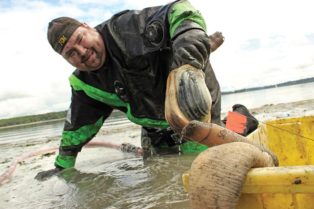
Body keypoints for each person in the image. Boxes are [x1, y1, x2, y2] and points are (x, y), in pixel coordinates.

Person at [36, 0, 256, 180]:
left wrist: (188, 41)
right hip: (154, 126)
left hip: (191, 95)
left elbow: (179, 9)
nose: (82, 52)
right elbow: (76, 127)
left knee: (201, 164)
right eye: (71, 53)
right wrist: (61, 166)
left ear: (87, 27)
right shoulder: (85, 85)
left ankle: (243, 120)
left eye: (80, 39)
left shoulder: (126, 28)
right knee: (158, 170)